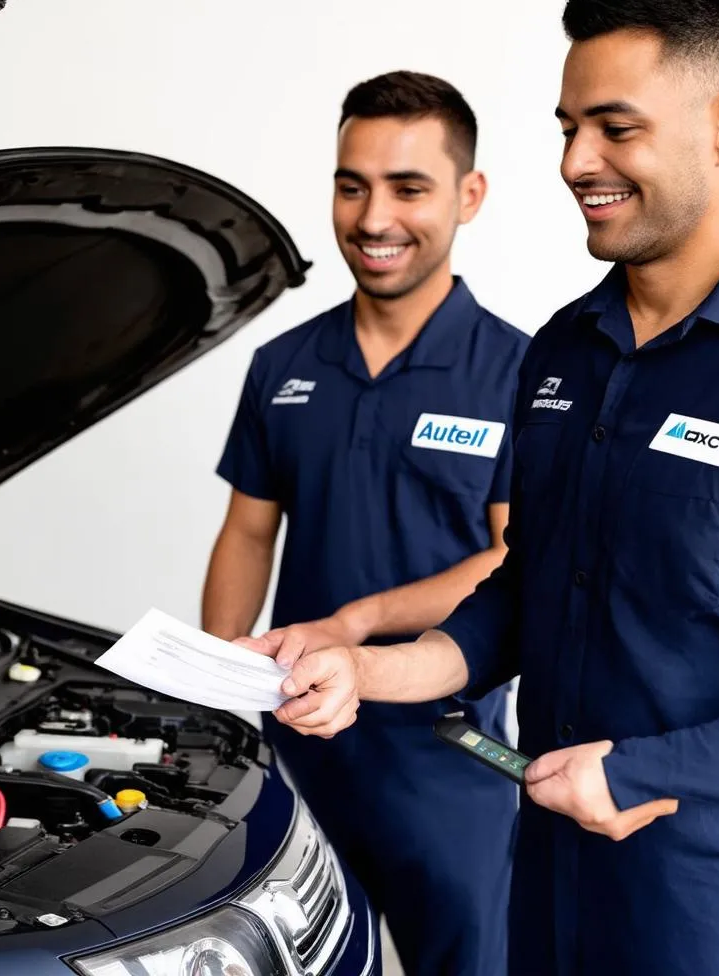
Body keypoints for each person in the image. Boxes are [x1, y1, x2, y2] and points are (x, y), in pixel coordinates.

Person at [244, 0, 719, 976]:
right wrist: (366, 667)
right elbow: (521, 593)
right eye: (565, 127)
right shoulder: (561, 353)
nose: (574, 161)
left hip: (712, 906)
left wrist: (639, 768)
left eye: (614, 128)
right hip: (544, 869)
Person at [202, 70, 529, 975]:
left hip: (444, 755)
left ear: (470, 195)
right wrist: (224, 671)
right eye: (353, 185)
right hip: (297, 749)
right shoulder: (284, 366)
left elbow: (513, 558)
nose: (373, 216)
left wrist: (352, 625)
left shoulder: (523, 373)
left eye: (408, 187)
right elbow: (246, 534)